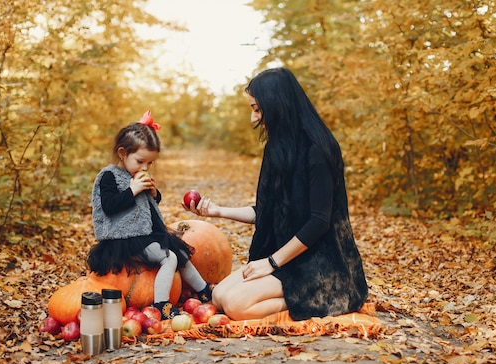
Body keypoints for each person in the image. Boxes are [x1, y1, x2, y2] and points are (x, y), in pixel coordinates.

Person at [183, 68, 368, 321]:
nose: (253, 118)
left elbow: (318, 222)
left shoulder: (318, 149)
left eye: (258, 109)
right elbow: (267, 212)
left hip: (321, 265)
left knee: (236, 306)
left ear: (277, 105)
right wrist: (217, 211)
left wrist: (270, 263)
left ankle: (324, 297)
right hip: (287, 258)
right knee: (219, 296)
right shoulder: (277, 148)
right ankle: (294, 296)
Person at [87, 110, 212, 320]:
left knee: (179, 254)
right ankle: (161, 305)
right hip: (123, 239)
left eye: (150, 163)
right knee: (168, 257)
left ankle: (204, 290)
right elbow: (109, 206)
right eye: (140, 161)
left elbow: (147, 207)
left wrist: (154, 194)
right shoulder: (109, 176)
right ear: (121, 153)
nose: (145, 167)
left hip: (145, 234)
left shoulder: (136, 175)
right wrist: (132, 191)